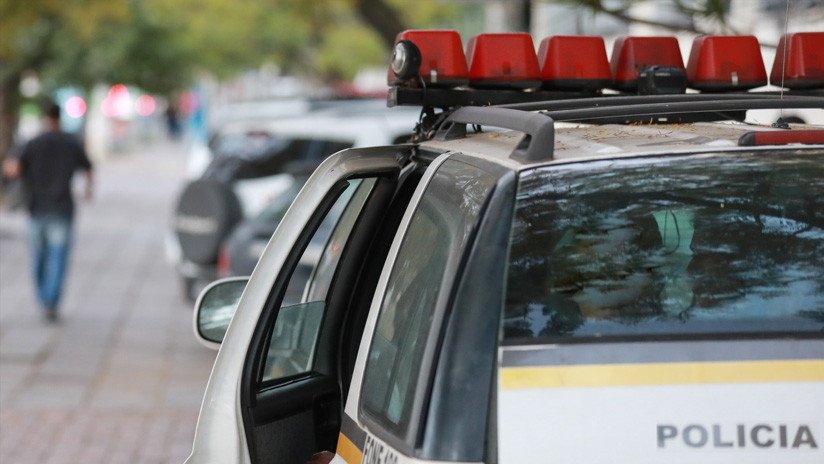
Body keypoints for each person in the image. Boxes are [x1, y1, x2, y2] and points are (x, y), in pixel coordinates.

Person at [2, 102, 93, 322]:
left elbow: (12, 169)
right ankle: (51, 302)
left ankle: (44, 297)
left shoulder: (31, 143)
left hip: (36, 208)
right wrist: (88, 191)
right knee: (59, 258)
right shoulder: (71, 142)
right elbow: (88, 169)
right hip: (62, 207)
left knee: (39, 258)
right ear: (59, 117)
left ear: (44, 117)